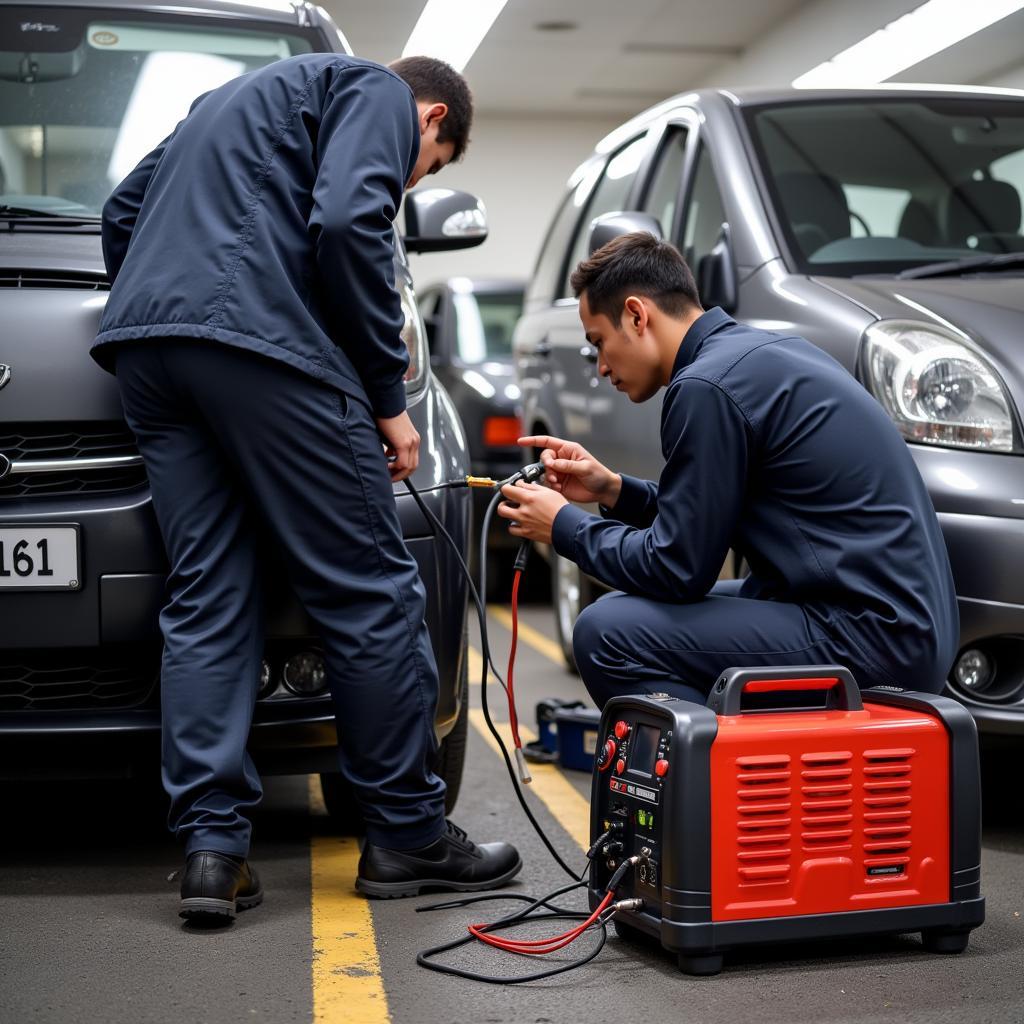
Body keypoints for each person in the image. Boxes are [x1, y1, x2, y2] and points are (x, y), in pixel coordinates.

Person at [92, 53, 520, 922]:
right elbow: (345, 223)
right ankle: (405, 832)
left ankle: (213, 853)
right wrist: (386, 395)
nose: (410, 176)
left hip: (145, 352)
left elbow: (121, 211)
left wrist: (166, 306)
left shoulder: (223, 102)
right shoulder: (375, 90)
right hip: (261, 346)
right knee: (369, 589)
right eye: (422, 170)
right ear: (431, 118)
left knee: (208, 595)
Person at [499, 232, 959, 709]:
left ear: (637, 316)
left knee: (607, 632)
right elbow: (704, 520)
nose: (600, 366)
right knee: (630, 613)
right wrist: (613, 490)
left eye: (599, 342)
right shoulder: (748, 357)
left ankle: (712, 778)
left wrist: (564, 526)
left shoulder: (705, 387)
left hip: (869, 637)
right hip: (893, 624)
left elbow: (677, 569)